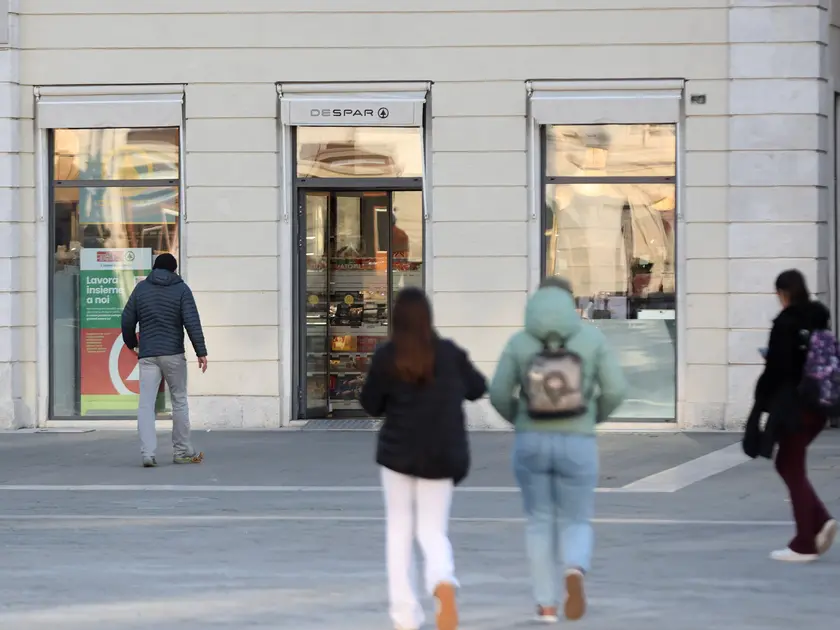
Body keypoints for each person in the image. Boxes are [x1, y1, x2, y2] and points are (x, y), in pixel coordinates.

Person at [488, 276, 626, 622]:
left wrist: (520, 418)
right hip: (577, 440)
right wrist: (591, 417)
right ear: (570, 303)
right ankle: (575, 570)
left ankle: (546, 605)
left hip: (531, 441)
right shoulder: (592, 339)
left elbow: (499, 394)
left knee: (538, 522)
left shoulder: (519, 342)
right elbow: (616, 390)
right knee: (577, 519)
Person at [359, 287, 487, 630]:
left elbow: (370, 403)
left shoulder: (388, 356)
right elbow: (477, 387)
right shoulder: (449, 354)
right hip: (442, 455)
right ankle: (442, 583)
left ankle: (405, 616)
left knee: (399, 532)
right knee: (433, 530)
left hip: (398, 455)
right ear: (428, 317)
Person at [754, 269, 836, 562]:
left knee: (791, 466)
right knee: (789, 463)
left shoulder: (786, 323)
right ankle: (821, 521)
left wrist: (760, 405)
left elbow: (778, 370)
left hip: (795, 408)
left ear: (783, 294)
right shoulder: (818, 318)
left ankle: (805, 543)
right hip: (818, 406)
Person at [121, 253, 208, 468]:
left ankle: (147, 453)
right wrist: (201, 351)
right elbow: (192, 322)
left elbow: (127, 318)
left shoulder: (141, 289)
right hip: (173, 354)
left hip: (148, 355)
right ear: (174, 270)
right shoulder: (181, 289)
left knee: (146, 405)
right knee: (178, 400)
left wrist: (132, 343)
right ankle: (181, 451)